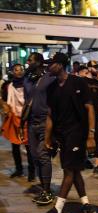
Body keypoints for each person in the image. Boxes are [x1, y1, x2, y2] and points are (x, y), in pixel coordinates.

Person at [35, 53, 96, 213]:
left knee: (69, 170)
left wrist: (91, 135)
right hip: (62, 135)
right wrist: (47, 139)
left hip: (78, 133)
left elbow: (90, 108)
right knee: (74, 170)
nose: (48, 67)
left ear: (60, 65)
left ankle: (57, 210)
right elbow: (50, 116)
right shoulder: (51, 88)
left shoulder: (78, 83)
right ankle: (86, 205)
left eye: (51, 64)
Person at [23, 52, 57, 205]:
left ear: (38, 62)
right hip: (31, 123)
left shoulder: (50, 78)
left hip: (45, 122)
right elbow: (27, 102)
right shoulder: (28, 80)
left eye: (30, 60)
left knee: (43, 156)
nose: (27, 63)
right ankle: (44, 189)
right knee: (35, 157)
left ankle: (48, 191)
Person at [1, 64, 34, 181]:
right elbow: (4, 100)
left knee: (29, 146)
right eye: (16, 70)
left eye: (21, 70)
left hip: (27, 117)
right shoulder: (8, 86)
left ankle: (31, 172)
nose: (19, 72)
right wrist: (6, 109)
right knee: (15, 146)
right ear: (12, 72)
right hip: (14, 117)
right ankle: (19, 169)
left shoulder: (29, 84)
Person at [83, 60, 98, 174]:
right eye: (95, 67)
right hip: (85, 113)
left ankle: (97, 163)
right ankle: (84, 159)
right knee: (84, 136)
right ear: (89, 68)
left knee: (97, 138)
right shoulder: (83, 81)